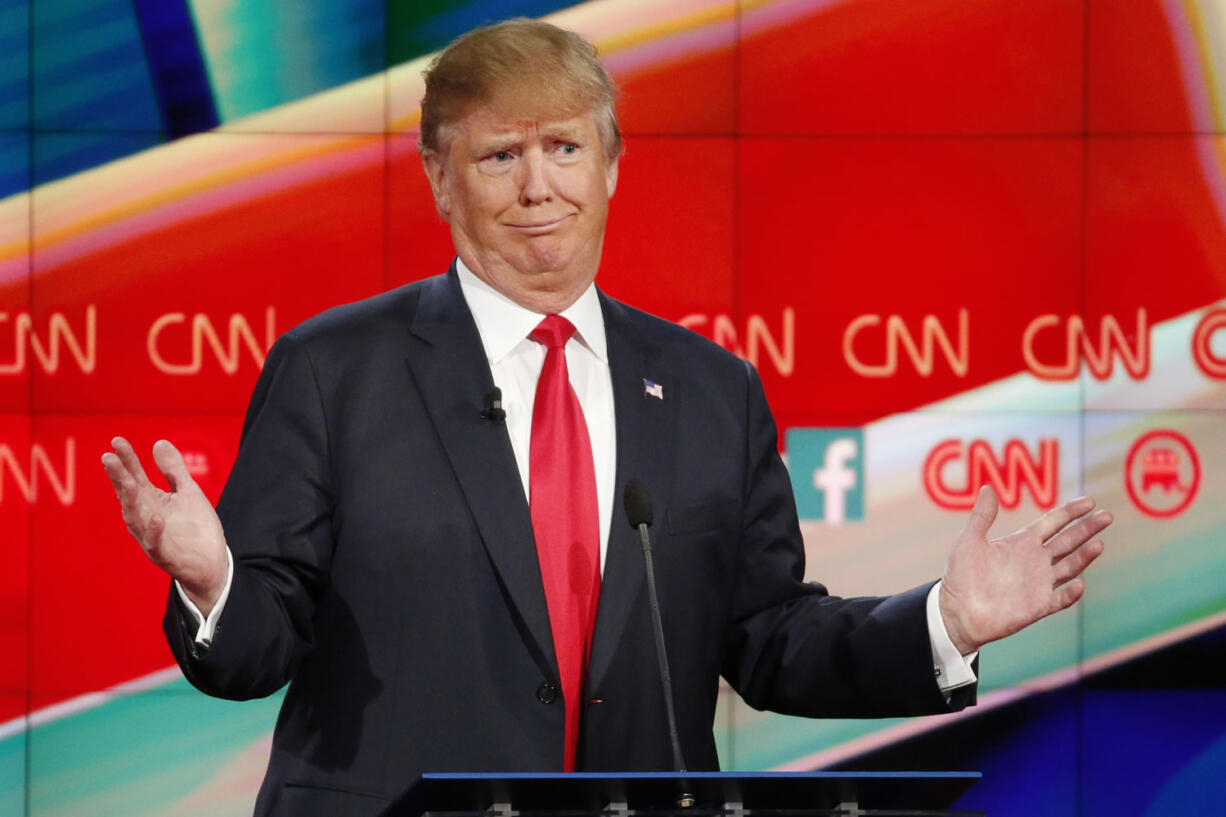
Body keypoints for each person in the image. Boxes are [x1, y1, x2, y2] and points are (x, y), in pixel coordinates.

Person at [101, 18, 1111, 817]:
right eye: (500, 156)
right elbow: (253, 651)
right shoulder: (333, 370)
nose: (538, 186)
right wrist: (212, 578)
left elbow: (766, 640)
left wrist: (945, 622)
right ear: (439, 180)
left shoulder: (711, 388)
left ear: (610, 166)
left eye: (563, 147)